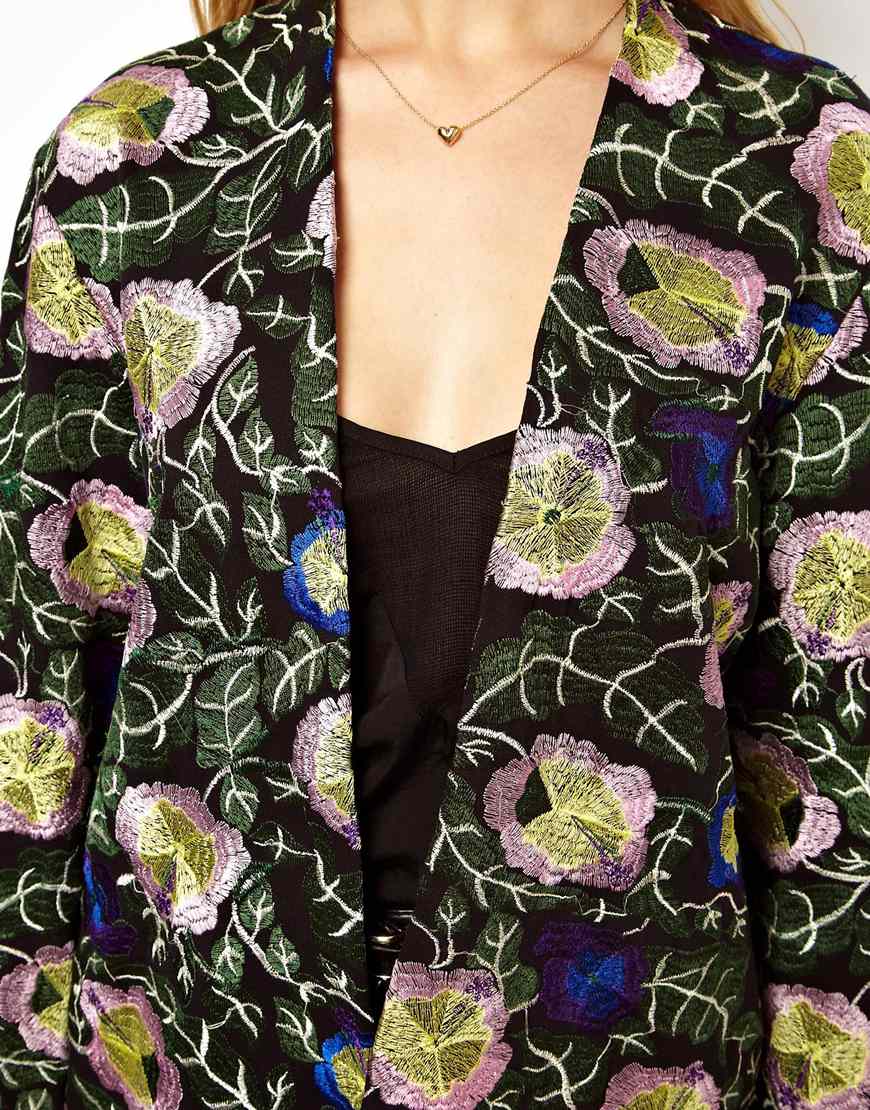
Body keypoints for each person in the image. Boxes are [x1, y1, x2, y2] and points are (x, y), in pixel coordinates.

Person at [1, 0, 869, 1105]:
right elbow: (32, 702)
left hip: (619, 1066)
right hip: (209, 1052)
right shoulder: (139, 163)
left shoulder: (800, 171)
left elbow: (836, 753)